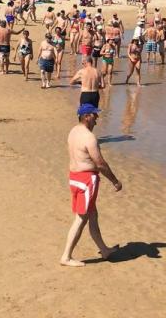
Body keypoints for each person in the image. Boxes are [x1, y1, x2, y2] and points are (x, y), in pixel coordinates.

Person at [60, 103, 122, 267]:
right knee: (81, 218)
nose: (97, 118)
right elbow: (100, 163)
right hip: (86, 181)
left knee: (93, 214)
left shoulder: (74, 131)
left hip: (74, 178)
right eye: (94, 115)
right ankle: (66, 256)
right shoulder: (89, 137)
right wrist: (115, 181)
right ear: (86, 116)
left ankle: (104, 249)